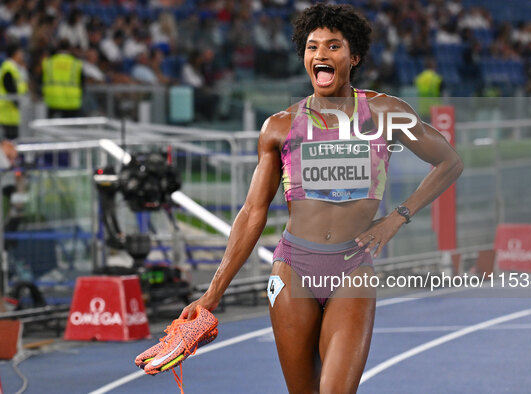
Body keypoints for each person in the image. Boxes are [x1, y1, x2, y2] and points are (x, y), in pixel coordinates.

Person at [180, 4, 463, 392]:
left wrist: (398, 216)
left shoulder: (384, 113)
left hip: (351, 266)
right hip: (293, 266)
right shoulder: (279, 127)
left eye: (333, 46)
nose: (321, 55)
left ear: (354, 56)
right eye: (313, 48)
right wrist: (213, 293)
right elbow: (252, 212)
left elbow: (449, 162)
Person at [42, 40, 84, 118]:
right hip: (71, 102)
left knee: (51, 129)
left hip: (52, 101)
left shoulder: (48, 62)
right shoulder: (76, 63)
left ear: (58, 48)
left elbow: (41, 79)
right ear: (69, 48)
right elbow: (82, 83)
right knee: (69, 129)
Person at [0, 43, 28, 140]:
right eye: (20, 52)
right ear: (15, 54)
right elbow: (11, 90)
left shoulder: (15, 68)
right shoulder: (8, 68)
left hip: (12, 114)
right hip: (7, 114)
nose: (22, 55)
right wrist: (18, 103)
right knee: (10, 145)